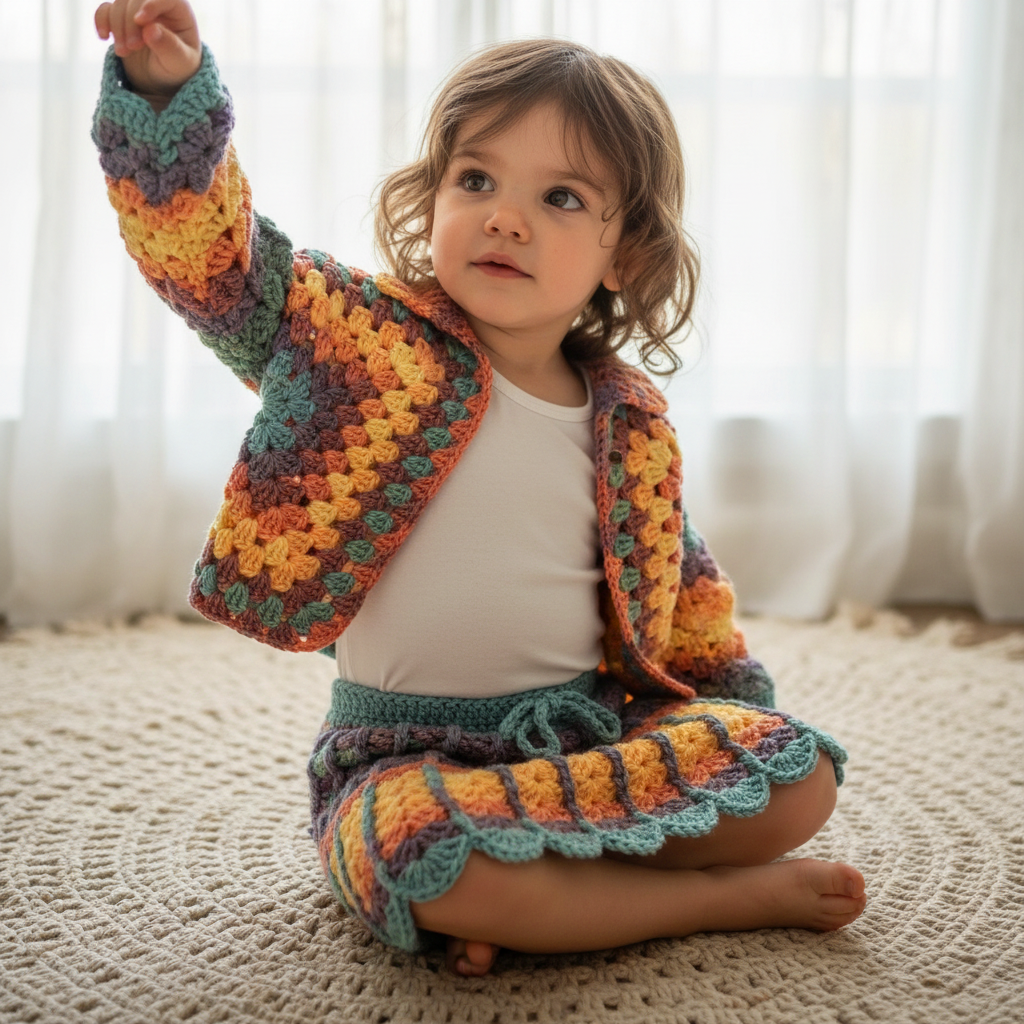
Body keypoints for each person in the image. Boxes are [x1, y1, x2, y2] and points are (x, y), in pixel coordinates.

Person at [93, 0, 867, 978]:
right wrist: (165, 96)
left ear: (625, 258)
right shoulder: (358, 342)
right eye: (476, 179)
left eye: (562, 197)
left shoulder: (626, 419)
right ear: (432, 201)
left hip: (587, 737)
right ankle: (704, 897)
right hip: (402, 756)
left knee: (800, 776)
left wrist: (731, 717)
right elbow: (210, 260)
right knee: (424, 859)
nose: (505, 215)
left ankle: (551, 889)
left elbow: (681, 589)